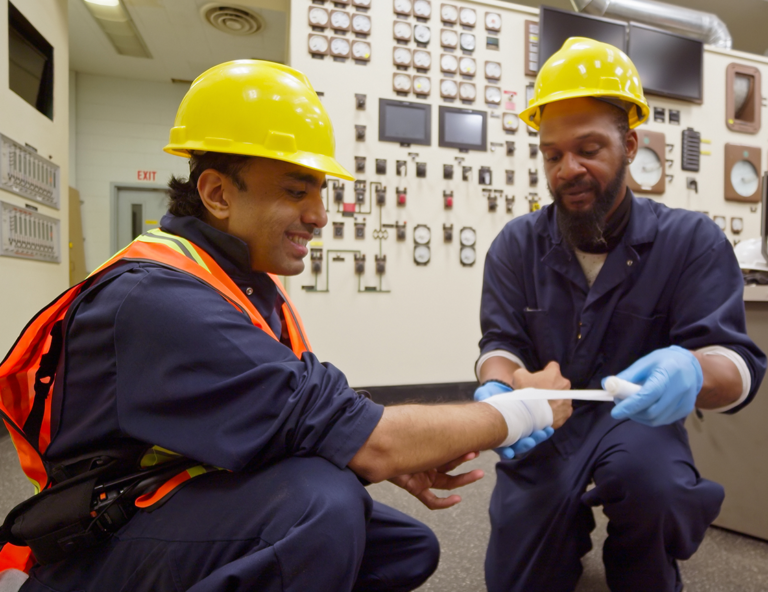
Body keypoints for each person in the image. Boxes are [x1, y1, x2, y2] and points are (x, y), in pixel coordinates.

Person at [0, 60, 572, 592]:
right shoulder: (161, 299)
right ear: (218, 193)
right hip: (99, 549)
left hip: (168, 499)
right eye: (297, 191)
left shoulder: (235, 283)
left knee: (402, 547)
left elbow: (307, 412)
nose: (320, 215)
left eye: (320, 192)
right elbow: (368, 441)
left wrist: (383, 451)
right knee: (320, 506)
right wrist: (521, 410)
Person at [474, 38, 766, 592]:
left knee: (656, 492)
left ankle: (642, 565)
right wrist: (501, 386)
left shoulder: (692, 241)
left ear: (630, 144)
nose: (568, 169)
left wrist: (694, 369)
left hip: (638, 426)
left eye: (589, 148)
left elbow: (739, 366)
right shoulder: (515, 246)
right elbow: (500, 344)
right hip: (547, 426)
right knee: (518, 580)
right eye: (553, 153)